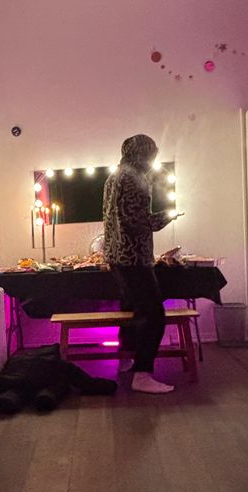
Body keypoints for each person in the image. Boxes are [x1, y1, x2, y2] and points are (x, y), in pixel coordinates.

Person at [102, 134, 179, 394]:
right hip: (134, 258)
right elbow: (136, 223)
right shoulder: (134, 179)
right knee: (154, 315)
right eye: (152, 154)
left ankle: (126, 359)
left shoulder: (114, 177)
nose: (153, 159)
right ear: (145, 154)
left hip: (116, 257)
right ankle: (142, 374)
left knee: (132, 309)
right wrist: (166, 217)